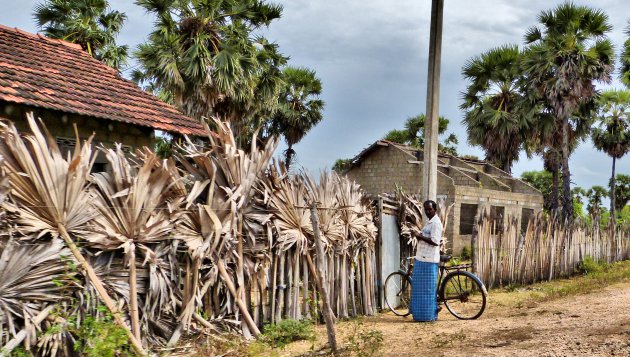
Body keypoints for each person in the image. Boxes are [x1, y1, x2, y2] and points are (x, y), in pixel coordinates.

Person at [410, 199, 443, 322]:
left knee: (427, 291)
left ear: (435, 209)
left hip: (429, 261)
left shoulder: (436, 223)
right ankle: (422, 314)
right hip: (422, 259)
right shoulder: (430, 222)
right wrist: (419, 236)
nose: (428, 211)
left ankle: (428, 315)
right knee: (420, 289)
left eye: (430, 209)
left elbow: (435, 241)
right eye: (426, 210)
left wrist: (420, 236)